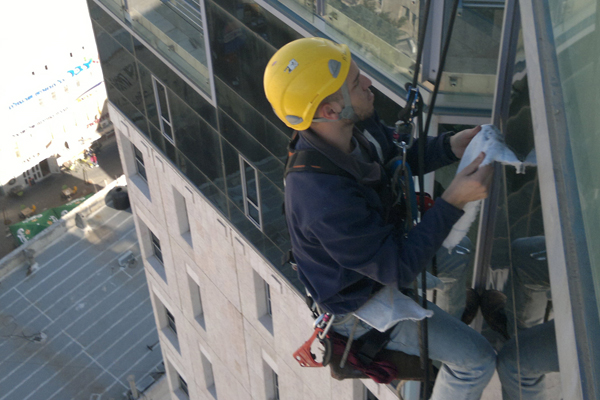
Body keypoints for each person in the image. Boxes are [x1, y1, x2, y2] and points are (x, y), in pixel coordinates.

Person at [264, 37, 496, 399]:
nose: (369, 84)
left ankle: (438, 338)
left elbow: (399, 154)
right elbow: (397, 268)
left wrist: (452, 146)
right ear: (329, 109)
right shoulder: (321, 197)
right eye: (357, 83)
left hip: (381, 256)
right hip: (359, 303)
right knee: (478, 360)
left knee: (459, 252)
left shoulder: (354, 128)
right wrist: (452, 201)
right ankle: (448, 359)